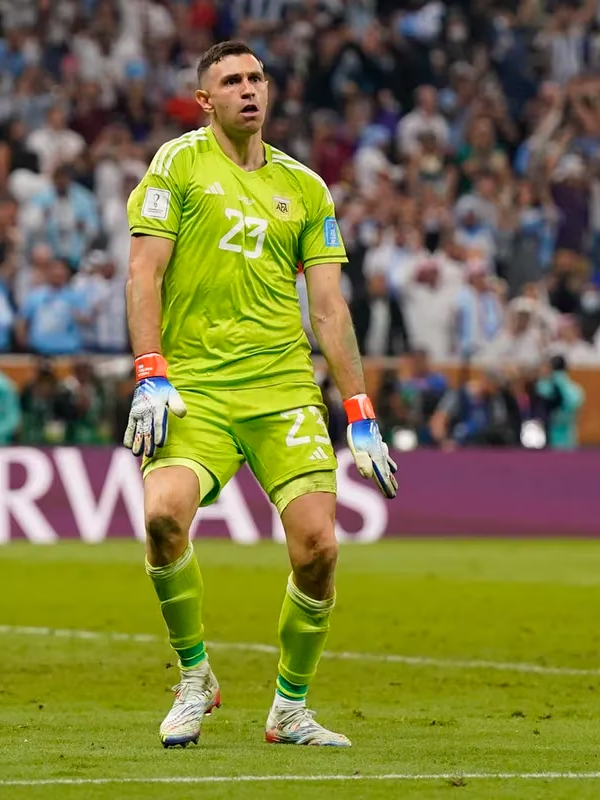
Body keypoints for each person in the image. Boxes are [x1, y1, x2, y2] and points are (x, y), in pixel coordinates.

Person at [123, 41, 397, 750]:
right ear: (205, 100)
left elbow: (329, 309)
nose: (249, 90)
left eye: (256, 78)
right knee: (162, 518)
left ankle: (290, 709)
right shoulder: (177, 165)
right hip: (196, 385)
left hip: (282, 388)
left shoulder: (306, 187)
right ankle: (193, 676)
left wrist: (360, 411)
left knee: (319, 548)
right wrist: (150, 371)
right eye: (232, 81)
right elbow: (144, 273)